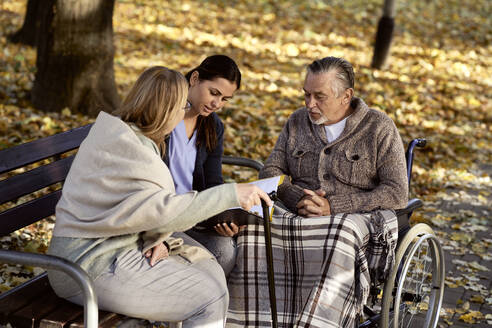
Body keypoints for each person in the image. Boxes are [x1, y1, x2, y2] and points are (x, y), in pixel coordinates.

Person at [46, 66, 271, 327]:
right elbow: (163, 212)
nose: (183, 113)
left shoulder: (132, 138)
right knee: (209, 298)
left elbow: (137, 209)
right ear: (164, 108)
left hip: (116, 247)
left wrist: (156, 237)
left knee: (212, 271)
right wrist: (231, 194)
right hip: (85, 265)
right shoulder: (127, 146)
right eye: (181, 105)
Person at [228, 57, 408, 327]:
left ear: (346, 96)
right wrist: (297, 197)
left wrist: (333, 206)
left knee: (338, 235)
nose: (310, 104)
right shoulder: (297, 122)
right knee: (252, 228)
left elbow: (396, 193)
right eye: (306, 95)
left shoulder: (379, 127)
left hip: (355, 218)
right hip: (297, 211)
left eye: (319, 96)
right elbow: (270, 171)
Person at [164, 55, 242, 277]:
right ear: (195, 78)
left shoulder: (212, 126)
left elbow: (213, 183)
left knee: (226, 249)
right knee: (215, 258)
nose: (217, 104)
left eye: (225, 99)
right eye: (214, 93)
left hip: (191, 216)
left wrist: (225, 218)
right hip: (160, 216)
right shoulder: (164, 115)